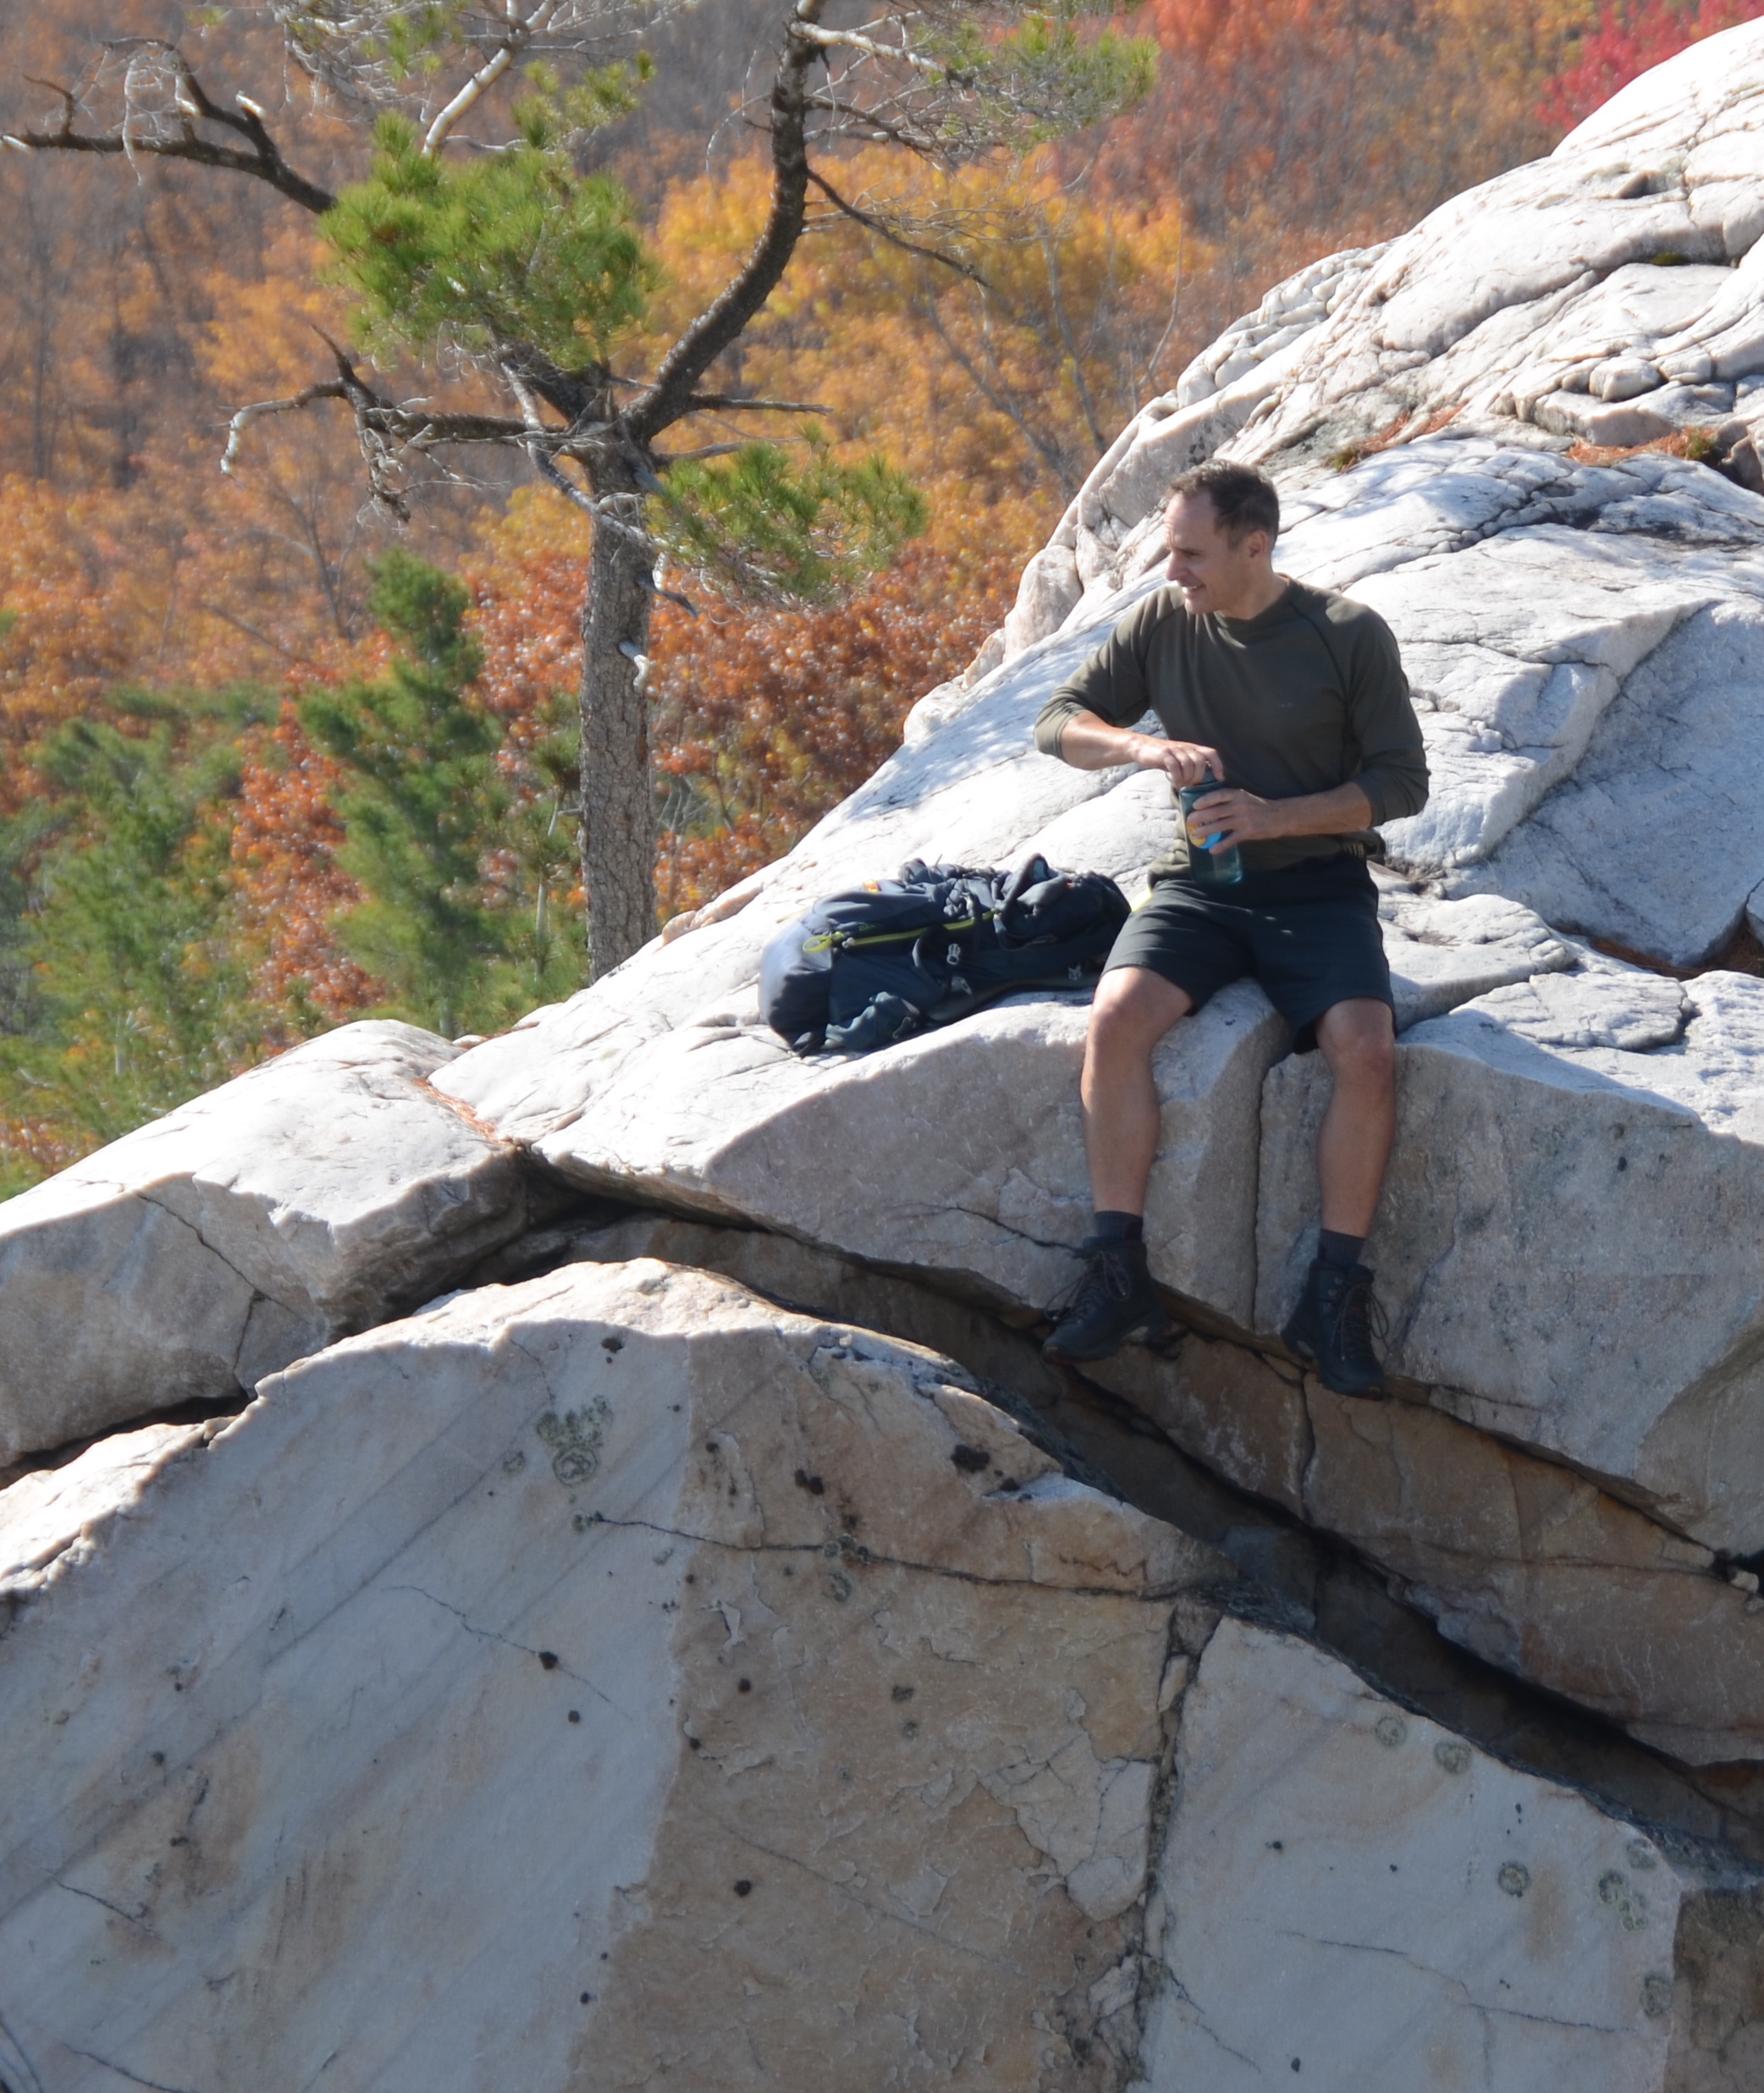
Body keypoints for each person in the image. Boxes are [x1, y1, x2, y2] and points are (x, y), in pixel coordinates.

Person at [1034, 459, 1429, 1395]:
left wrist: (1273, 817)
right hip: (1200, 888)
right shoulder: (1163, 622)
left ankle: (1331, 1293)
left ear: (1255, 546)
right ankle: (1118, 1269)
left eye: (1190, 553)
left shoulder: (1344, 635)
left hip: (1318, 888)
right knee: (1115, 1018)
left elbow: (1401, 783)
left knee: (1365, 1050)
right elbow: (1057, 723)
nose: (1173, 572)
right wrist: (1140, 746)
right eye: (1170, 550)